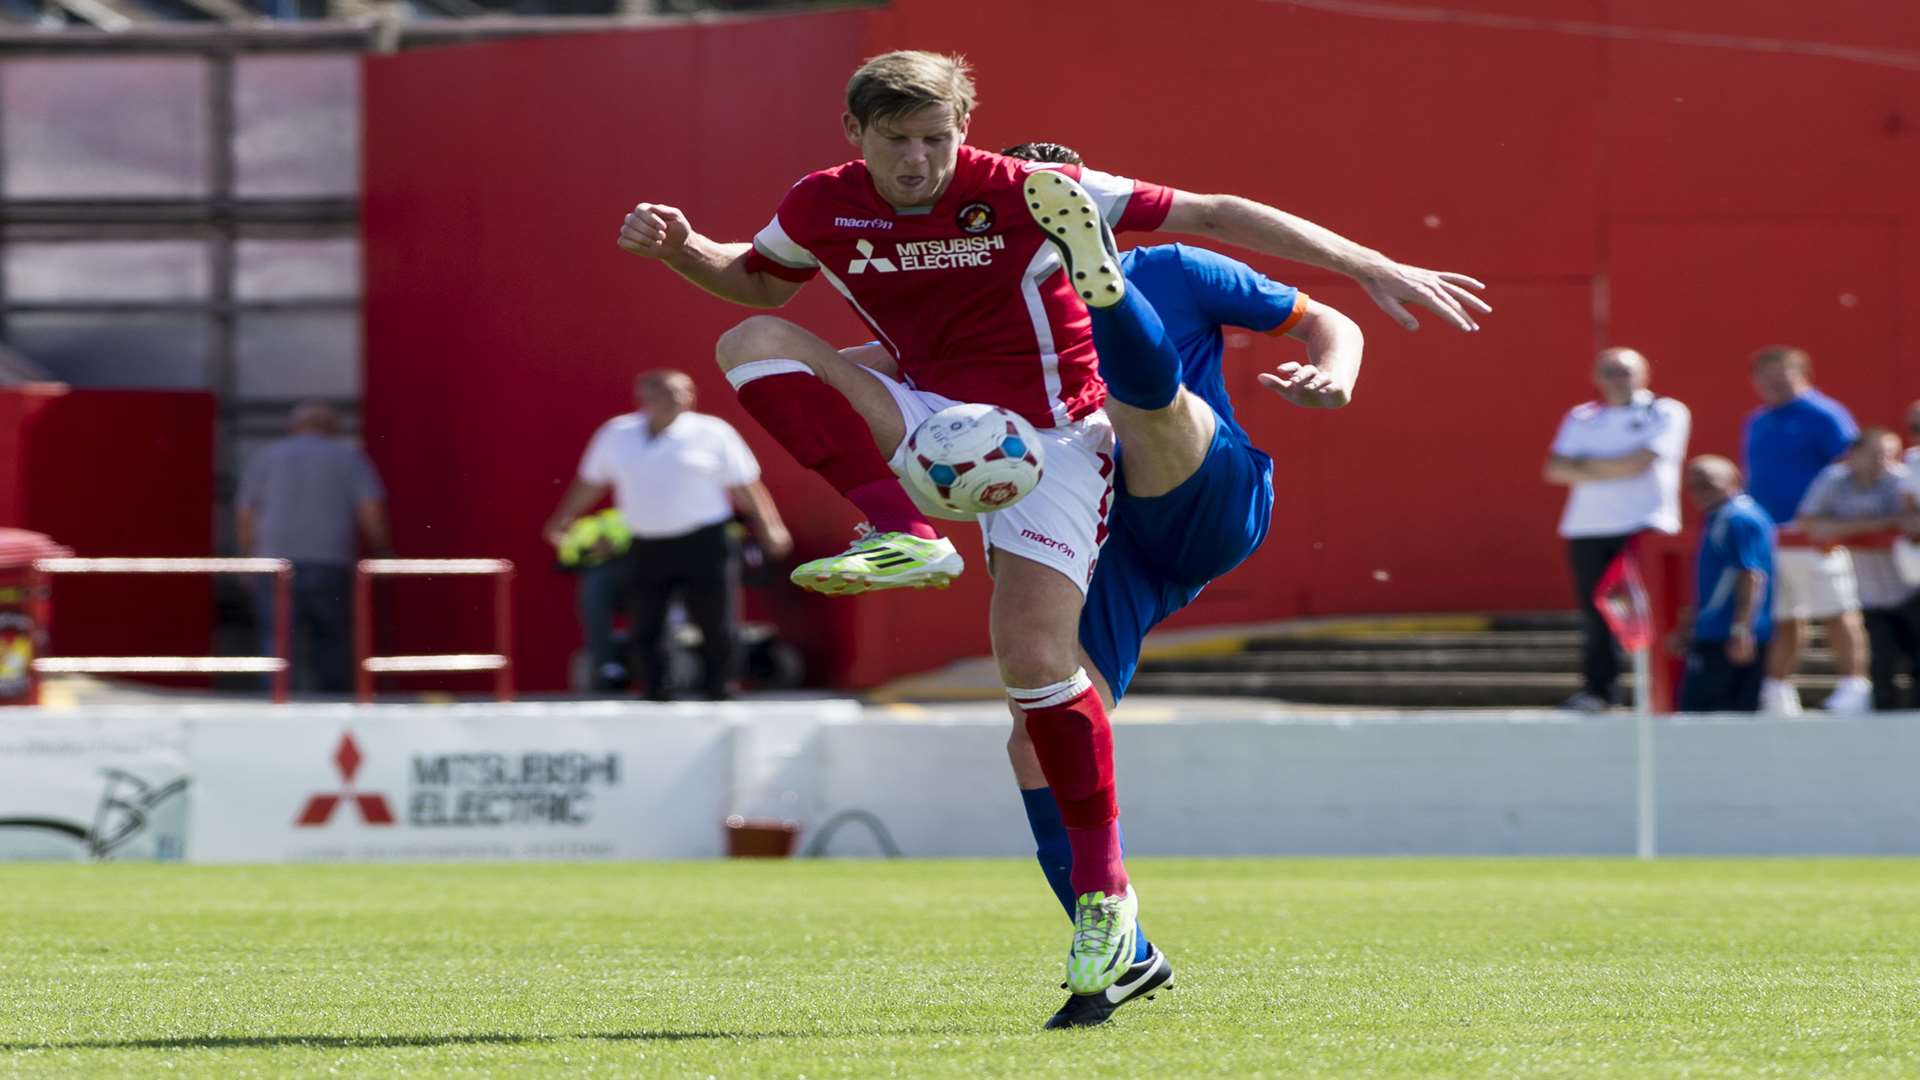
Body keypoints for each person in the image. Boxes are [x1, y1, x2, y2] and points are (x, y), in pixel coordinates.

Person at [614, 50, 1486, 1012]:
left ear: (968, 133)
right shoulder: (820, 205)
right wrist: (681, 249)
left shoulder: (1031, 191)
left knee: (1139, 446)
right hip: (951, 425)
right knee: (757, 353)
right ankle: (1108, 920)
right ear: (855, 136)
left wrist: (1370, 266)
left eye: (937, 140)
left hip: (1071, 439)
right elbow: (758, 284)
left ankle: (1100, 296)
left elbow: (1216, 210)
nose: (918, 161)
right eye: (897, 141)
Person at [542, 370, 791, 701]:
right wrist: (563, 519)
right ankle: (654, 690)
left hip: (705, 540)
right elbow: (591, 481)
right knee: (647, 622)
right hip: (646, 542)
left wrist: (771, 527)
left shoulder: (713, 432)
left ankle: (720, 688)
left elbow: (746, 485)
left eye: (685, 392)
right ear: (644, 396)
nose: (680, 398)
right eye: (669, 392)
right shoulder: (617, 434)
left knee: (715, 620)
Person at [1542, 348, 1690, 712]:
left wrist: (1587, 468)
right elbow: (1555, 469)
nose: (1617, 378)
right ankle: (1600, 691)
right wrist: (1615, 466)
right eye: (1609, 371)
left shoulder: (1664, 410)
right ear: (1596, 376)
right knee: (1596, 613)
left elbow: (1642, 462)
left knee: (1651, 611)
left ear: (1644, 373)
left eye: (1625, 371)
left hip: (1644, 525)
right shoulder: (1582, 416)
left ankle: (1664, 689)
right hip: (1587, 527)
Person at [235, 400, 392, 694]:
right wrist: (381, 550)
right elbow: (371, 511)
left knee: (277, 638)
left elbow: (246, 513)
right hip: (330, 560)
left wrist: (247, 558)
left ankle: (276, 701)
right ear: (332, 427)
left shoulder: (266, 457)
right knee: (331, 639)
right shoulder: (349, 458)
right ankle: (332, 703)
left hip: (273, 561)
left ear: (292, 426)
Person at [1741, 345, 1866, 714]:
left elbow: (1850, 469)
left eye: (1782, 376)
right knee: (1783, 616)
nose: (1774, 384)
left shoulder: (1825, 414)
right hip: (1769, 534)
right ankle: (1778, 690)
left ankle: (1854, 685)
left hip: (1813, 535)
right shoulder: (1758, 420)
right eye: (1766, 377)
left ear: (1802, 374)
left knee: (1836, 609)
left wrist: (1831, 519)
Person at [1796, 429, 1919, 710]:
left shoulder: (1903, 481)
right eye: (1876, 455)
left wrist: (1845, 527)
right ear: (1853, 455)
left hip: (1911, 588)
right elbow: (1810, 524)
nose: (1884, 462)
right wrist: (1883, 524)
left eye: (1889, 455)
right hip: (1868, 593)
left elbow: (1913, 522)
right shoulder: (1834, 480)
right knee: (1881, 665)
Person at [1675, 456, 1774, 712]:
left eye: (1707, 484)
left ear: (1734, 482)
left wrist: (1741, 629)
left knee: (1712, 713)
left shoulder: (1738, 518)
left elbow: (1750, 574)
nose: (1698, 493)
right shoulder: (1716, 517)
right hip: (1713, 630)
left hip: (1728, 634)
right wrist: (1690, 625)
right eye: (1692, 486)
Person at [555, 508, 634, 690]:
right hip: (599, 577)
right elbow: (568, 557)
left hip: (641, 576)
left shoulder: (640, 520)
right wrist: (589, 551)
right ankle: (606, 665)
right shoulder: (584, 527)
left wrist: (618, 549)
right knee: (594, 588)